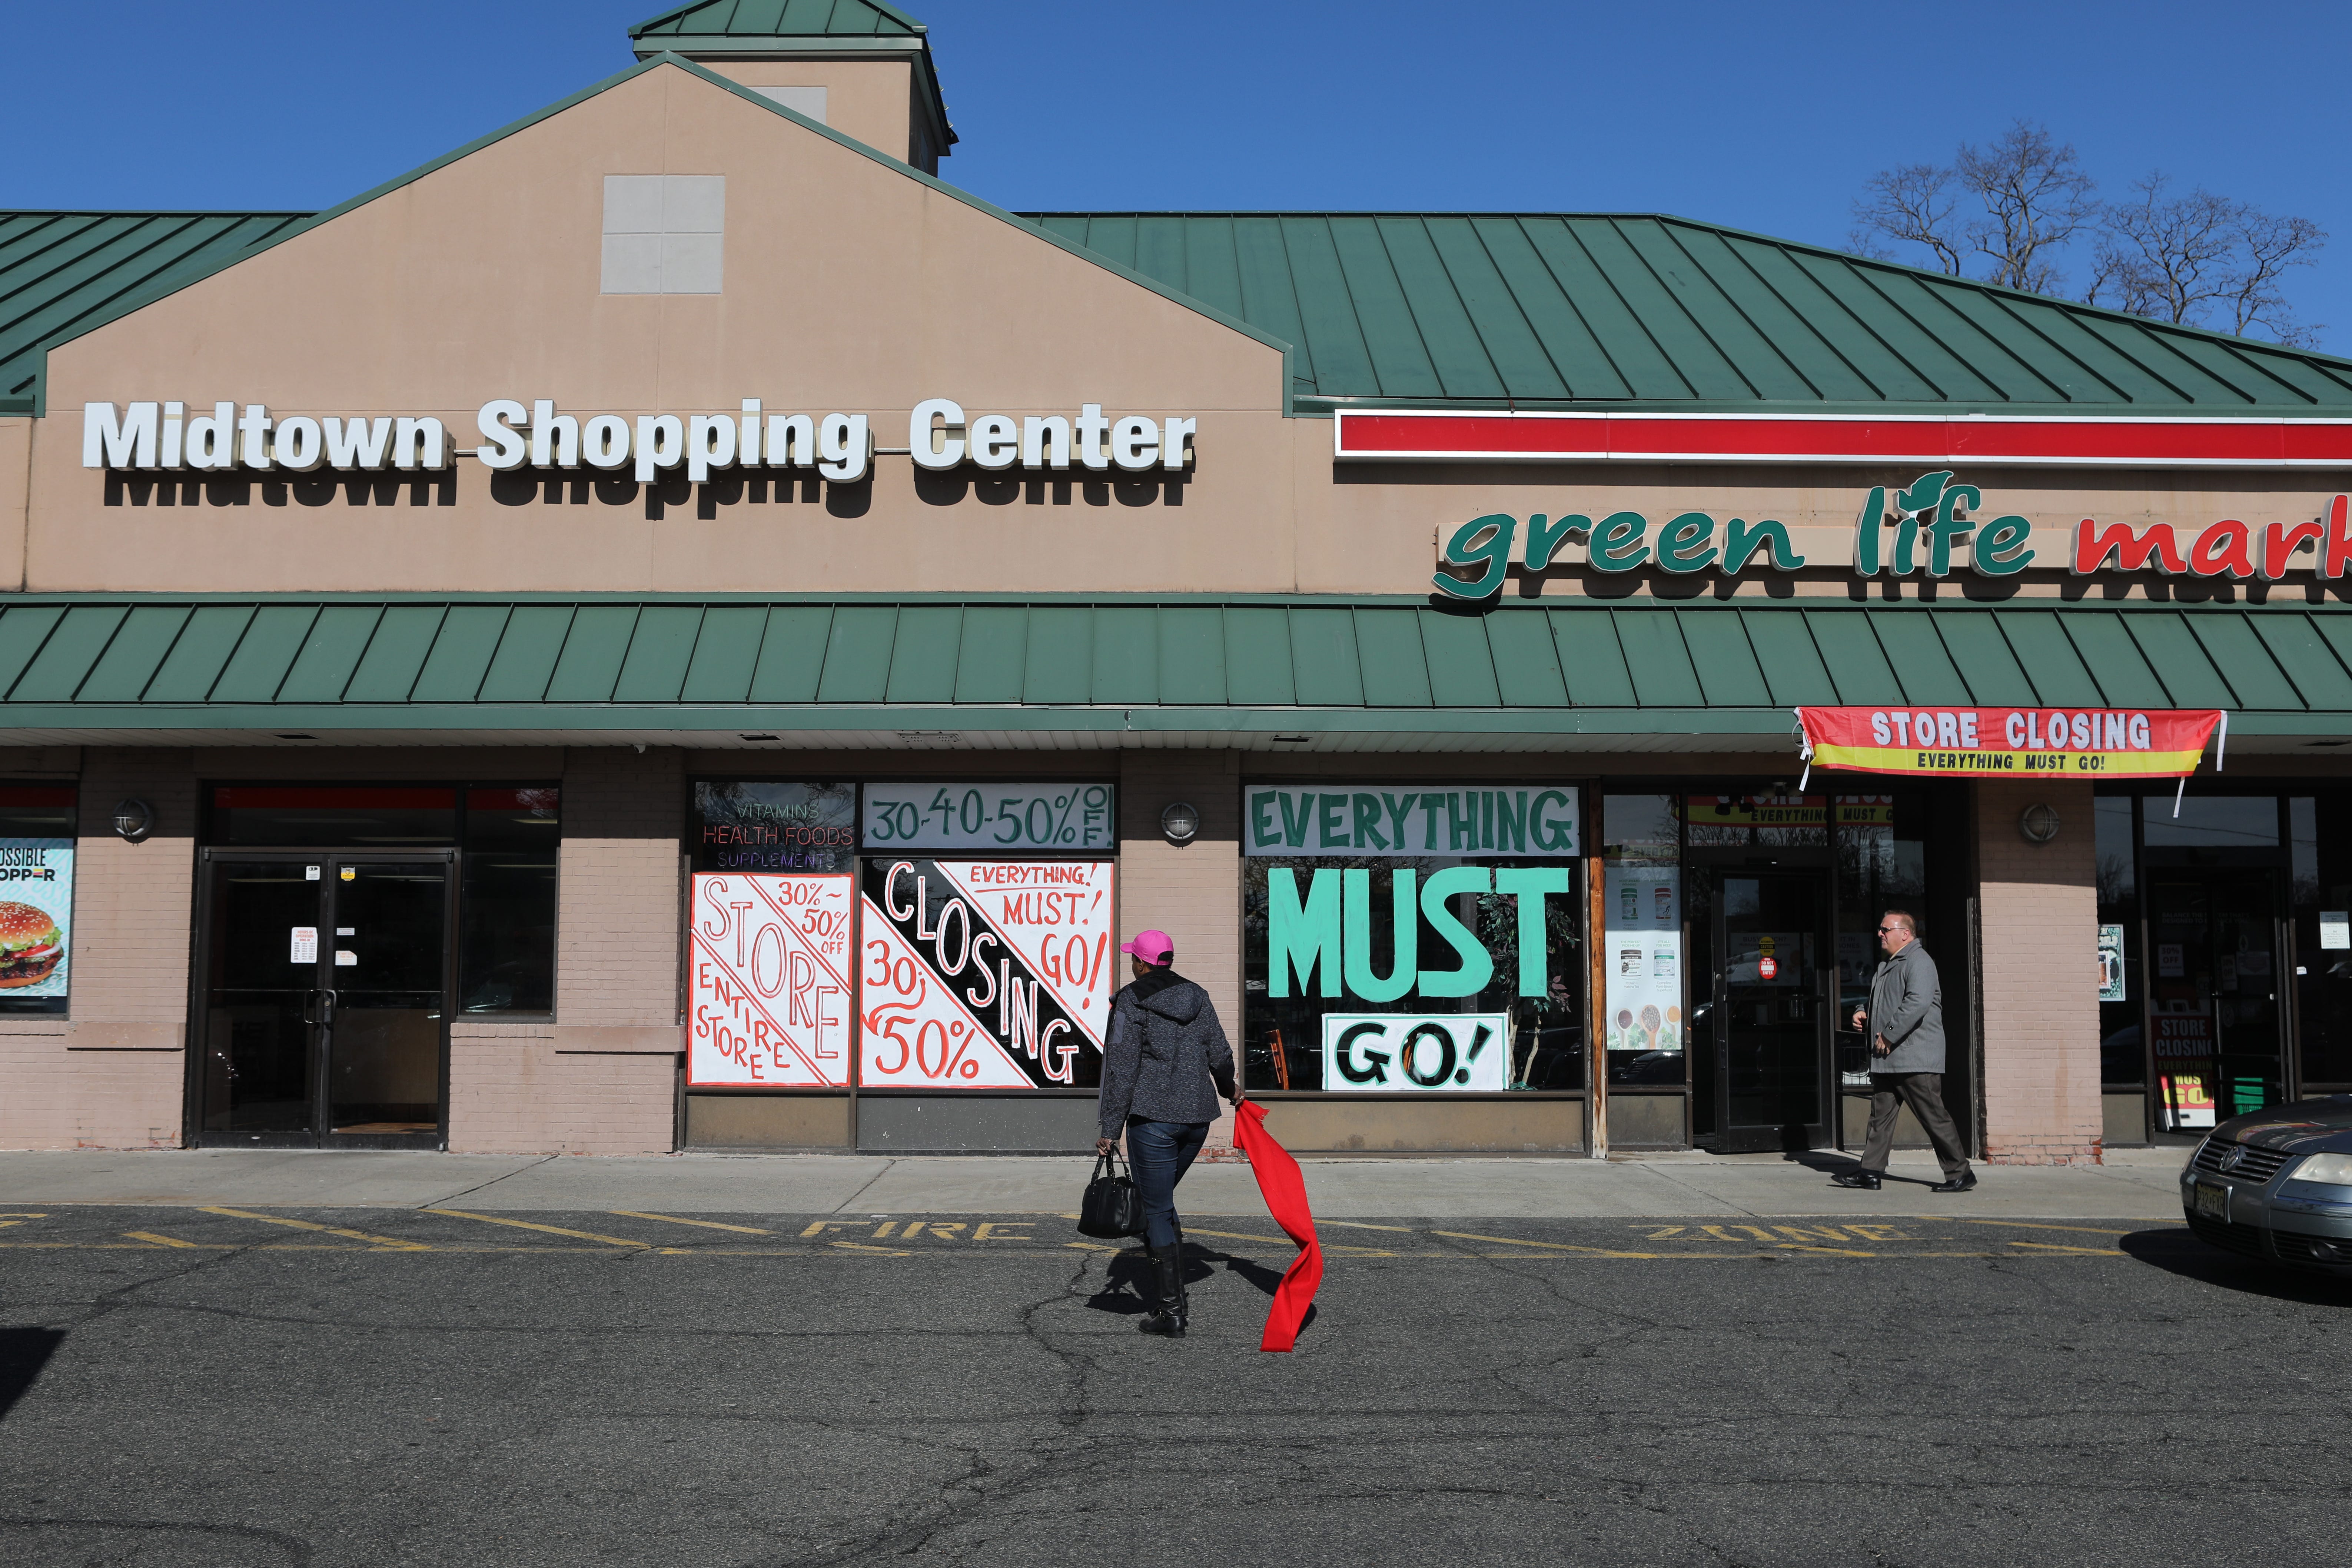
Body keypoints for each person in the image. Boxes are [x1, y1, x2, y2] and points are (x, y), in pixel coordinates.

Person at [1095, 928, 1240, 1338]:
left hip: (1155, 1120)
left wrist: (1110, 1127)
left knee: (1154, 1208)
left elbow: (1121, 1069)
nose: (1132, 964)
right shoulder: (1197, 994)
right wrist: (1230, 1089)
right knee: (1157, 1201)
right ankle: (1170, 1298)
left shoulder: (1131, 998)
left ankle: (1172, 1313)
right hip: (1196, 1120)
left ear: (1141, 962)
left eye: (1133, 959)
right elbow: (1220, 1051)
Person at [1835, 910, 1975, 1193]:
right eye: (1881, 929)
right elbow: (1882, 1001)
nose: (1880, 934)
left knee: (1933, 1117)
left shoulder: (1919, 962)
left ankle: (1960, 1172)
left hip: (1914, 1058)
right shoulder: (1889, 964)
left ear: (1905, 934)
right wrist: (1863, 1012)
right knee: (1880, 1119)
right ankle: (1871, 1172)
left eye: (1885, 930)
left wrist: (1888, 1034)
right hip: (1888, 1058)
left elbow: (1917, 1003)